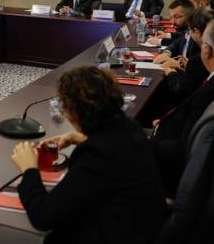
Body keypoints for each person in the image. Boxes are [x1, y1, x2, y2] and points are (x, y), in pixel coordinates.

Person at [10, 66, 167, 244]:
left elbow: (43, 217)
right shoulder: (129, 125)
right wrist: (82, 138)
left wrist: (29, 169)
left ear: (73, 111)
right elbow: (115, 148)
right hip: (143, 224)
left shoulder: (97, 155)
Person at [150, 19, 214, 196]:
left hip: (170, 171)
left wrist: (148, 143)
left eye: (203, 43)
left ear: (207, 50)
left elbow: (183, 150)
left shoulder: (213, 92)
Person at [151, 0, 197, 67]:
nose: (172, 22)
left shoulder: (197, 36)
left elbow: (196, 66)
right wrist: (166, 53)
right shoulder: (186, 32)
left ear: (190, 15)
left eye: (177, 17)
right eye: (171, 18)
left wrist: (178, 64)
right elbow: (175, 44)